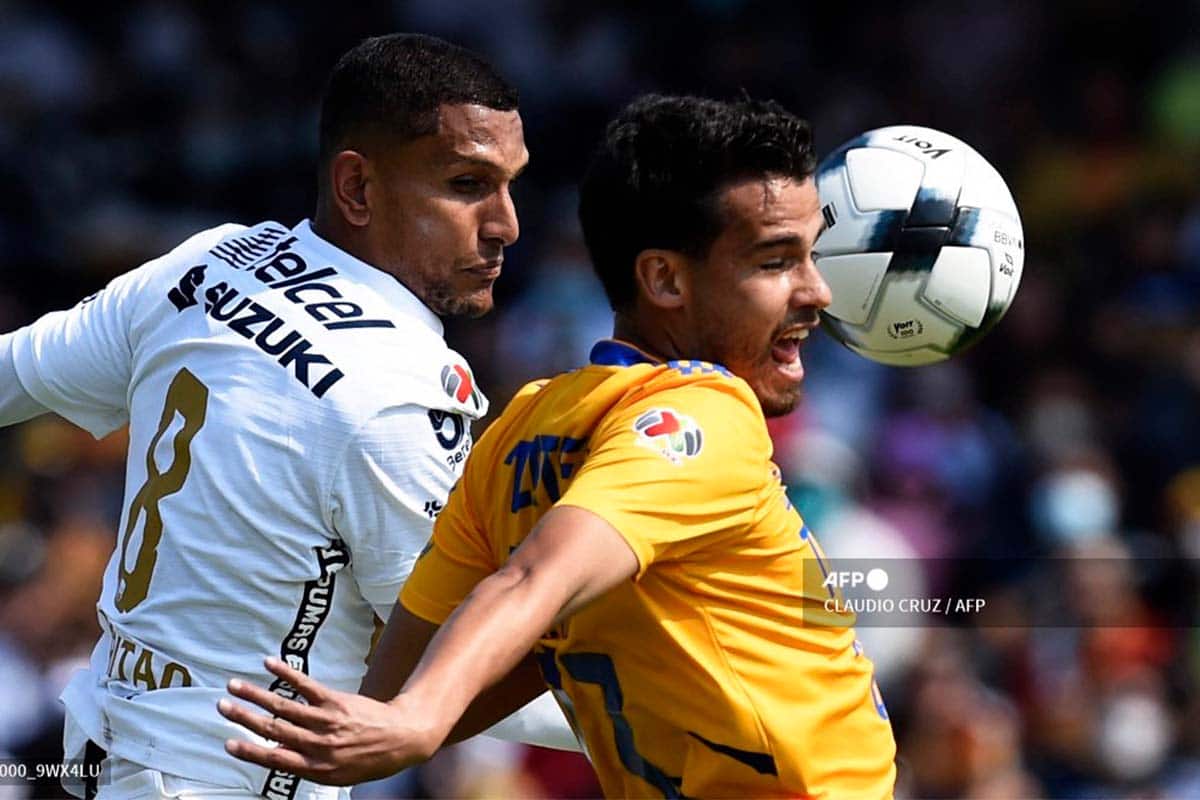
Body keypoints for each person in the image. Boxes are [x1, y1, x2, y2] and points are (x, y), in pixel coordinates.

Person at [218, 94, 899, 798]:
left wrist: (399, 718)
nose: (817, 291)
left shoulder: (519, 429)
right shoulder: (708, 411)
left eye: (811, 257)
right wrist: (416, 720)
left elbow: (414, 675)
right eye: (775, 262)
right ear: (664, 278)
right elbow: (531, 582)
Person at [0, 32, 576, 800]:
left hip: (101, 758)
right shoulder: (396, 391)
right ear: (358, 189)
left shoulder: (208, 263)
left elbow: (11, 373)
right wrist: (700, 714)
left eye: (510, 185)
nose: (505, 223)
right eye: (467, 184)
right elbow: (451, 668)